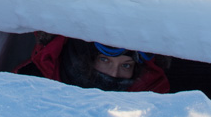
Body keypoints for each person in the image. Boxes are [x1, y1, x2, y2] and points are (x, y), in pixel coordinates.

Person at [15, 32, 170, 94]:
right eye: (104, 59)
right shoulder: (31, 81)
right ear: (82, 56)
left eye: (126, 65)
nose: (114, 74)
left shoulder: (150, 98)